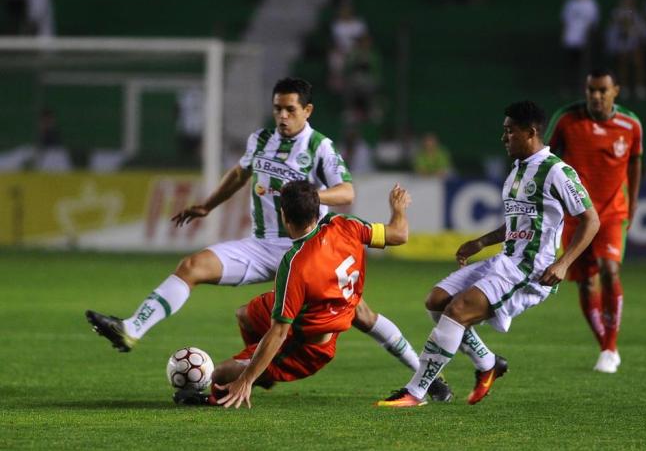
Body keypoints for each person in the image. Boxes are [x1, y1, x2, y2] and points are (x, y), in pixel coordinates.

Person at [85, 78, 449, 399]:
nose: (282, 116)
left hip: (306, 247)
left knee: (362, 315)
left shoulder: (319, 147)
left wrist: (307, 196)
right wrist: (207, 206)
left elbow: (347, 192)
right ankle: (133, 328)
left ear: (307, 110)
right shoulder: (260, 140)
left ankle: (426, 376)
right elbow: (239, 174)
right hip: (261, 245)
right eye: (277, 109)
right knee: (192, 267)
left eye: (290, 109)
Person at [377, 101, 599, 407]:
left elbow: (592, 220)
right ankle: (488, 363)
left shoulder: (556, 172)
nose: (503, 137)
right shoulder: (517, 171)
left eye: (509, 131)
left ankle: (415, 392)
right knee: (438, 301)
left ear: (530, 132)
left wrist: (564, 264)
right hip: (506, 260)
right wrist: (481, 242)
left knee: (458, 311)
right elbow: (517, 223)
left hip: (532, 270)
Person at [209, 181, 410, 408]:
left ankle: (260, 371)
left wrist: (245, 379)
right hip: (332, 306)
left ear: (283, 216)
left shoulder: (296, 264)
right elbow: (399, 234)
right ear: (317, 210)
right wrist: (398, 208)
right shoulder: (344, 225)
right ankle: (261, 366)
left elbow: (279, 332)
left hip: (307, 345)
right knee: (245, 315)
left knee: (217, 377)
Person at [545, 69, 642, 373]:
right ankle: (605, 345)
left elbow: (635, 164)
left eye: (602, 90)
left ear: (616, 91)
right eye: (591, 91)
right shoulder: (566, 119)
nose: (596, 96)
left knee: (610, 271)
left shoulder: (631, 124)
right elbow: (545, 158)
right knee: (587, 284)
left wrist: (634, 202)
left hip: (613, 211)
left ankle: (611, 346)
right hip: (578, 214)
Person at [560, 0, 600, 95]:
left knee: (583, 66)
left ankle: (583, 88)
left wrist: (587, 38)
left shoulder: (591, 3)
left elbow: (593, 22)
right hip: (570, 40)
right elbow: (565, 20)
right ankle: (567, 88)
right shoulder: (570, 2)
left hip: (583, 40)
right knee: (569, 65)